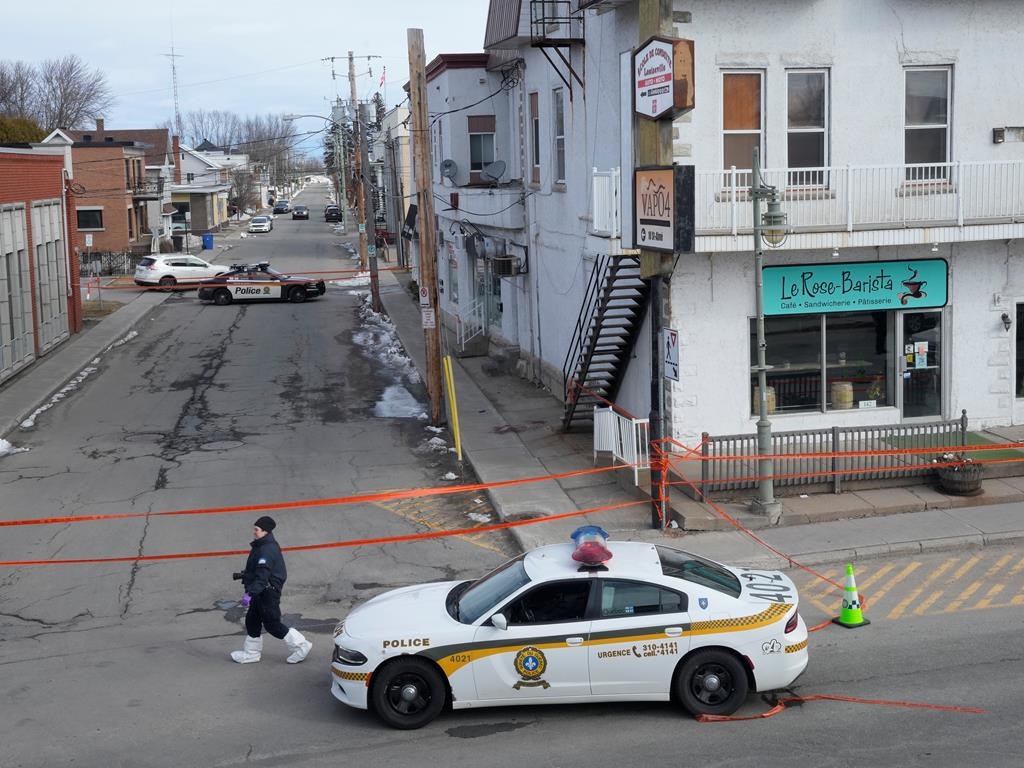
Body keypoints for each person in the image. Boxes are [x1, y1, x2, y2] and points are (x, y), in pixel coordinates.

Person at [230, 516, 312, 664]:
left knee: (272, 624)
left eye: (257, 529)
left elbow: (262, 575)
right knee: (252, 621)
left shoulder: (266, 550)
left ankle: (301, 646)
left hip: (267, 592)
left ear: (265, 531)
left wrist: (249, 594)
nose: (254, 532)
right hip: (261, 591)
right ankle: (251, 654)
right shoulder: (262, 545)